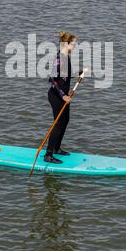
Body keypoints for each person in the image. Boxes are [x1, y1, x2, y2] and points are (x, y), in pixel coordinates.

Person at [44, 30, 81, 164]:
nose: (75, 46)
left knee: (65, 121)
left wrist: (79, 73)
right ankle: (48, 155)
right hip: (56, 96)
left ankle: (56, 148)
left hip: (64, 97)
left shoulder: (67, 57)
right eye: (74, 44)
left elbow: (65, 75)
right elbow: (53, 80)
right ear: (66, 44)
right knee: (58, 123)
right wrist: (63, 96)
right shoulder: (59, 59)